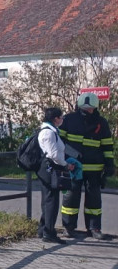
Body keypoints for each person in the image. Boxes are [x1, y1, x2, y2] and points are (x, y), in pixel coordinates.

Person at [59, 92, 114, 240]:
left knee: (94, 200)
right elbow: (59, 141)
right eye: (85, 108)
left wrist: (110, 164)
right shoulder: (68, 119)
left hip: (94, 169)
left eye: (90, 108)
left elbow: (107, 145)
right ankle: (68, 228)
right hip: (73, 167)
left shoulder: (101, 122)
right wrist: (68, 157)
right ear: (79, 106)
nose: (87, 110)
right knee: (71, 198)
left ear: (95, 107)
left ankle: (94, 228)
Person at [36, 107, 75, 244]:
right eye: (61, 117)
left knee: (48, 200)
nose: (62, 119)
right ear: (55, 119)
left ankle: (43, 229)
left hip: (47, 168)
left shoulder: (51, 131)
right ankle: (49, 232)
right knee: (51, 201)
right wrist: (65, 165)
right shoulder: (48, 133)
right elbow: (53, 155)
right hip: (49, 169)